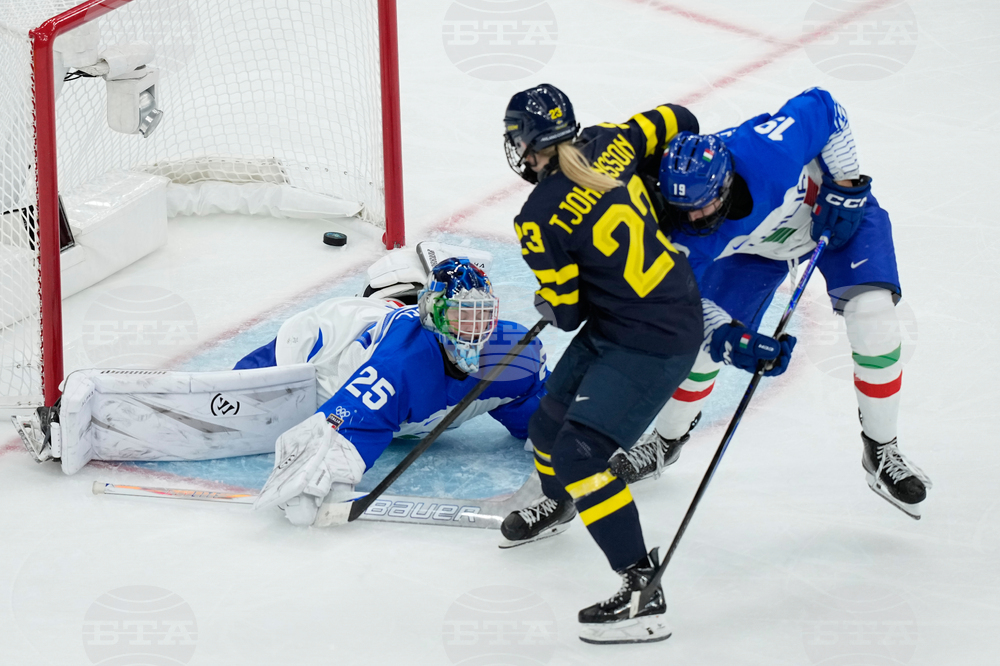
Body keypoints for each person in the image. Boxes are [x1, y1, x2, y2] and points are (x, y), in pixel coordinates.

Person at [498, 83, 789, 644]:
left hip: (653, 338)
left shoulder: (536, 218)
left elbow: (567, 311)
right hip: (642, 314)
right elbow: (680, 118)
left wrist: (549, 299)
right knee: (546, 424)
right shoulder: (612, 140)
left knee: (580, 456)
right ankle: (558, 504)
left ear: (527, 145)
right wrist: (656, 199)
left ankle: (641, 589)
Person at [15, 253, 549, 528]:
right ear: (433, 315)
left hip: (383, 333)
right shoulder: (400, 364)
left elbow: (533, 406)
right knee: (233, 399)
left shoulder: (515, 354)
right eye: (460, 317)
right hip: (325, 353)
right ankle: (70, 419)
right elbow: (347, 432)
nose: (472, 332)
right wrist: (328, 473)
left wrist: (558, 437)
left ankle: (397, 282)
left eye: (481, 318)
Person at [616, 87, 930, 519]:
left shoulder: (766, 149)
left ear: (726, 181)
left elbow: (825, 108)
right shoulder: (682, 231)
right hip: (755, 250)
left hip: (834, 214)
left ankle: (881, 449)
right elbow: (681, 308)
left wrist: (846, 184)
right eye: (683, 209)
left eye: (704, 205)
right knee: (696, 349)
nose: (696, 219)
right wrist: (728, 339)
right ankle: (666, 441)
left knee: (874, 318)